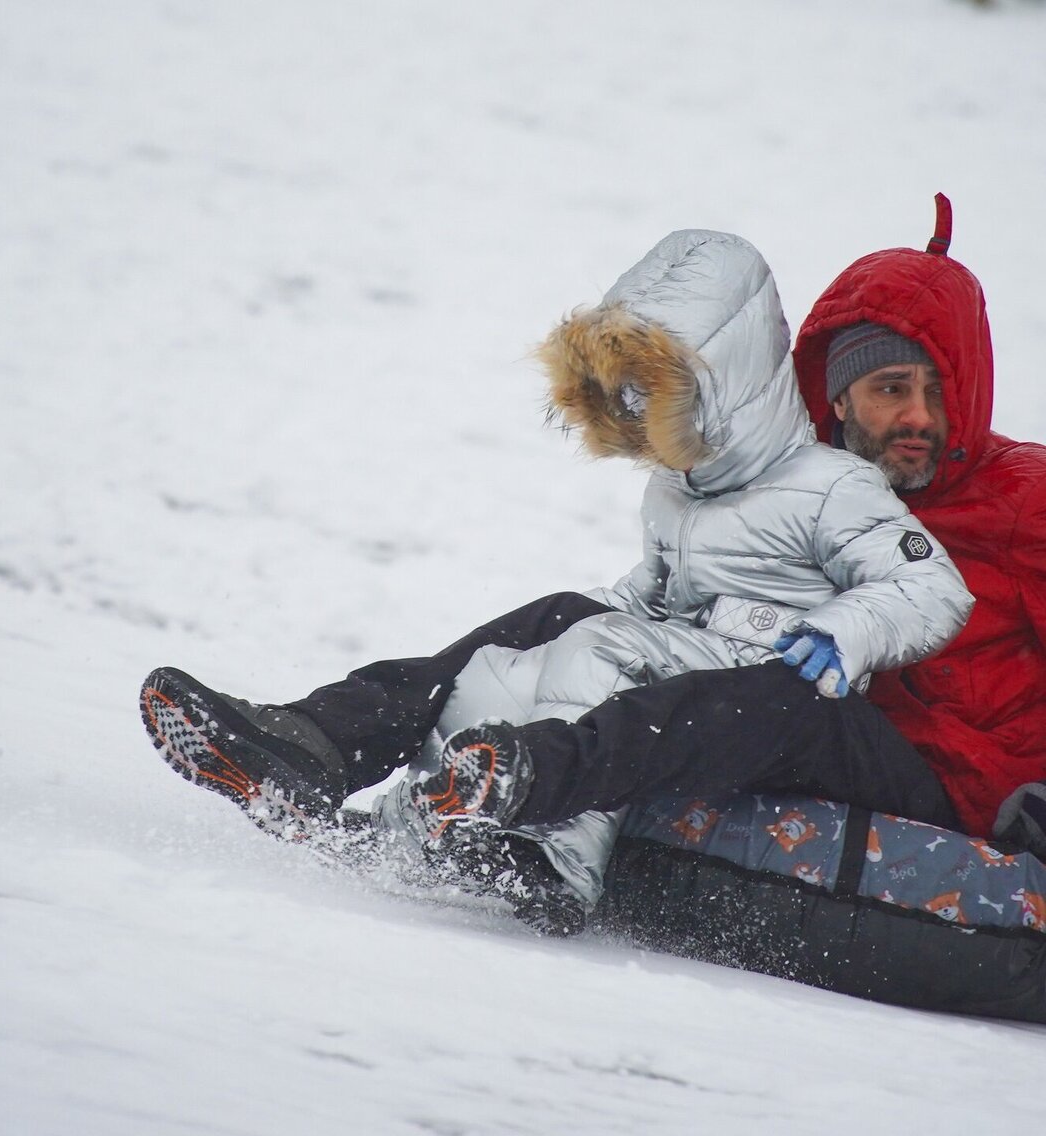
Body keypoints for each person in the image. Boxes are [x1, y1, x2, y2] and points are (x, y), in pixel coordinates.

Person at [141, 227, 972, 915]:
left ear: (724, 385)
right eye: (630, 395)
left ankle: (551, 856)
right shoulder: (678, 490)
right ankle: (324, 753)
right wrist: (587, 616)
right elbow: (652, 597)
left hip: (778, 682)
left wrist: (846, 629)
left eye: (659, 390)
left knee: (593, 651)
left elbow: (932, 588)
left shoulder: (834, 484)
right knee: (531, 645)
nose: (641, 414)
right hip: (693, 654)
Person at [792, 194, 1046, 849]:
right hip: (850, 735)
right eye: (891, 389)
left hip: (969, 785)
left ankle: (532, 788)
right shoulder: (808, 491)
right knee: (578, 620)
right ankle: (500, 764)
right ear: (839, 394)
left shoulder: (1023, 497)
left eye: (939, 391)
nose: (919, 416)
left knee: (781, 701)